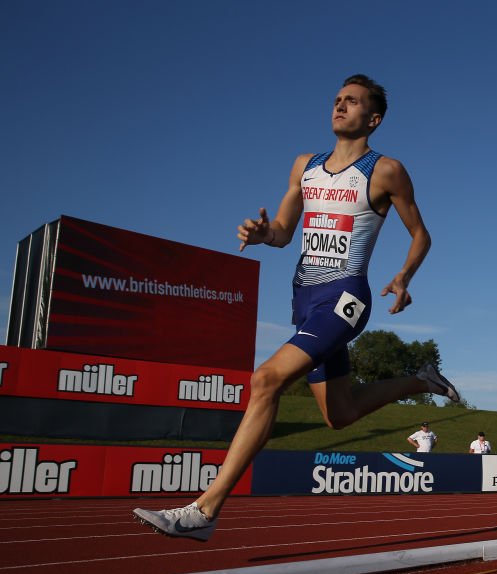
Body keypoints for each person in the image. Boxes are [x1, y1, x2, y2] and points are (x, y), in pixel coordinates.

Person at [134, 75, 459, 541]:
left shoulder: (385, 170)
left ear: (374, 118)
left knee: (264, 379)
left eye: (352, 101)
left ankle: (205, 510)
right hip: (305, 300)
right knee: (339, 415)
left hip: (345, 297)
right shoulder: (304, 166)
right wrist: (263, 235)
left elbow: (421, 234)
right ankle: (420, 379)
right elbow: (284, 232)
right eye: (337, 100)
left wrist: (404, 278)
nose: (340, 106)